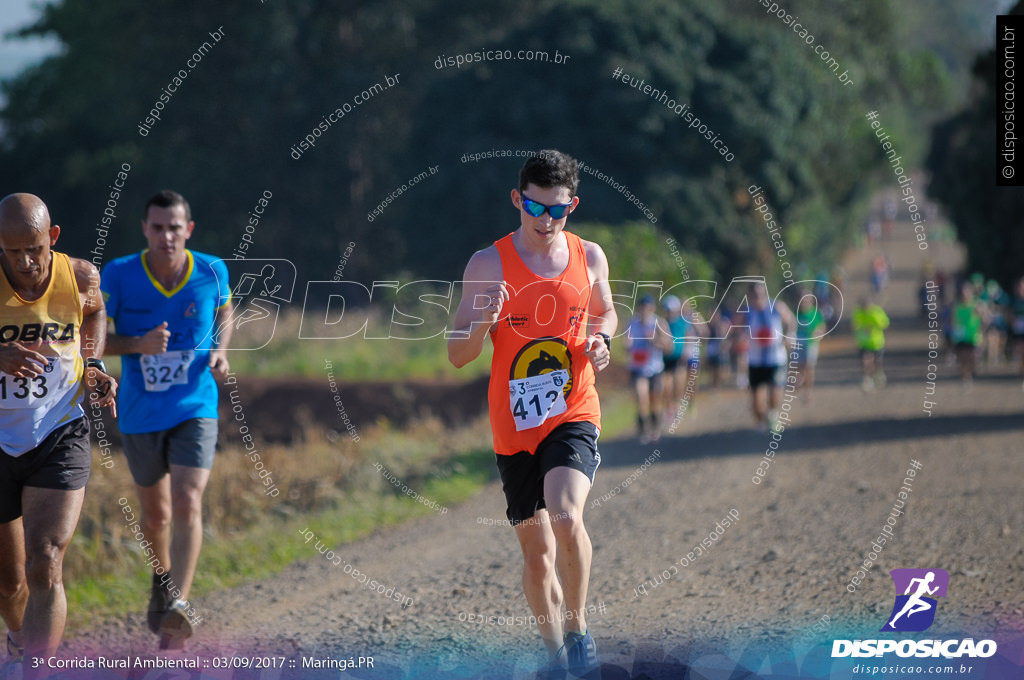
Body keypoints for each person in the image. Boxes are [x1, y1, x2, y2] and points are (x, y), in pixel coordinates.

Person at [447, 150, 615, 679]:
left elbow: (605, 309)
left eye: (558, 212)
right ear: (518, 200)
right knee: (537, 552)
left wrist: (602, 338)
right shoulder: (487, 265)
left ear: (573, 206)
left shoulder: (589, 257)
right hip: (514, 425)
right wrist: (482, 324)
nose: (546, 222)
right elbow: (456, 353)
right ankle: (553, 655)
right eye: (536, 209)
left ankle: (578, 627)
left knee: (566, 516)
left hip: (573, 408)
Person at [101, 190, 233, 649]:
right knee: (156, 516)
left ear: (188, 230)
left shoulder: (213, 270)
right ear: (145, 229)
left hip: (196, 405)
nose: (167, 236)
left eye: (175, 227)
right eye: (157, 227)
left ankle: (178, 602)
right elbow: (91, 340)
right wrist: (136, 346)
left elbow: (225, 309)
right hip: (140, 413)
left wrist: (219, 349)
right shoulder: (118, 275)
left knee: (187, 500)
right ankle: (162, 579)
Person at [0, 194, 118, 676]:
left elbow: (94, 314)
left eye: (34, 248)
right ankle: (17, 635)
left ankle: (37, 671)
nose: (25, 262)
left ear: (52, 237)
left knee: (45, 560)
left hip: (58, 428)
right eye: (12, 253)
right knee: (9, 586)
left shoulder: (81, 276)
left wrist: (92, 363)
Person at [739, 280, 795, 431]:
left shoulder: (777, 306)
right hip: (755, 360)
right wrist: (739, 338)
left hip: (776, 358)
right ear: (750, 295)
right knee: (756, 399)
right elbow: (736, 329)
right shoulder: (747, 312)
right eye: (755, 294)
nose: (758, 297)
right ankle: (760, 419)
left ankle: (773, 415)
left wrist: (789, 335)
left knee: (775, 391)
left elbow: (791, 321)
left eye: (761, 293)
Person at [625, 295, 664, 443]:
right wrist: (627, 346)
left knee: (654, 400)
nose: (644, 311)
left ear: (652, 309)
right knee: (642, 398)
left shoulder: (658, 322)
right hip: (638, 367)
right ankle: (643, 428)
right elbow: (626, 342)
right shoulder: (631, 323)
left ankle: (656, 427)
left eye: (647, 308)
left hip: (655, 367)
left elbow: (668, 345)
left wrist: (654, 340)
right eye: (641, 308)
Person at [950, 280, 985, 388]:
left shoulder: (976, 305)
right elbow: (954, 322)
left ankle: (971, 371)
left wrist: (981, 326)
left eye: (967, 292)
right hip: (961, 337)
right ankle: (966, 378)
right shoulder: (957, 307)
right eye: (963, 292)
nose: (965, 294)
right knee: (963, 358)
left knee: (973, 358)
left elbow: (984, 320)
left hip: (973, 337)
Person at [851, 297, 890, 391]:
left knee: (877, 361)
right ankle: (868, 379)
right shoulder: (858, 313)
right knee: (866, 360)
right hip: (864, 342)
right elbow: (854, 325)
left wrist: (872, 326)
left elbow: (885, 324)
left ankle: (878, 374)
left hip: (876, 342)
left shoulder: (876, 312)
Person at [794, 291, 825, 399]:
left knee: (809, 367)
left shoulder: (816, 313)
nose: (803, 301)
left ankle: (808, 391)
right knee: (798, 366)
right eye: (802, 299)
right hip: (798, 343)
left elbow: (822, 326)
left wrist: (819, 334)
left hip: (811, 344)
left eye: (806, 299)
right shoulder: (796, 312)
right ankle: (799, 384)